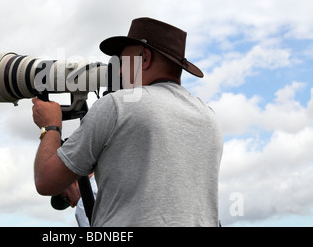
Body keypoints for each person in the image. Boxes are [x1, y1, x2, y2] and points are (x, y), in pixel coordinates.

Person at [32, 17, 223, 226]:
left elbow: (46, 182)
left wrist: (50, 126)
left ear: (145, 58)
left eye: (123, 62)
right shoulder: (209, 117)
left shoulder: (116, 106)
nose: (120, 71)